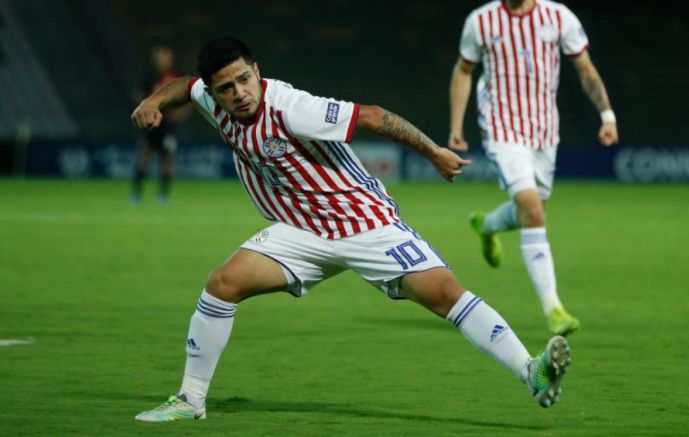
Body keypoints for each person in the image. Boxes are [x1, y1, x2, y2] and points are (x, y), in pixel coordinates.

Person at [131, 37, 572, 422]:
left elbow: (375, 116)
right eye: (226, 88)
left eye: (245, 79)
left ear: (257, 71)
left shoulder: (291, 107)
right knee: (222, 283)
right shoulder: (209, 97)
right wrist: (154, 102)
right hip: (300, 231)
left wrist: (434, 152)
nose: (240, 93)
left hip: (365, 222)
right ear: (214, 93)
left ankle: (530, 372)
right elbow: (185, 86)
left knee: (444, 293)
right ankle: (190, 399)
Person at [448, 0, 619, 336]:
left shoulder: (558, 17)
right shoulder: (481, 22)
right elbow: (464, 71)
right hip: (501, 129)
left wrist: (607, 115)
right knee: (531, 209)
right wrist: (456, 126)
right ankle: (553, 308)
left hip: (543, 132)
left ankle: (488, 226)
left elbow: (586, 70)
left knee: (533, 210)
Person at [130, 45, 187, 204]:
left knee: (167, 159)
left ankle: (163, 195)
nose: (163, 60)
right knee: (144, 156)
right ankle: (136, 193)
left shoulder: (176, 77)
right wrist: (145, 109)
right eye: (161, 57)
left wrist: (180, 114)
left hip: (168, 126)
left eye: (166, 57)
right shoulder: (149, 77)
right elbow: (138, 94)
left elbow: (189, 98)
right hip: (151, 124)